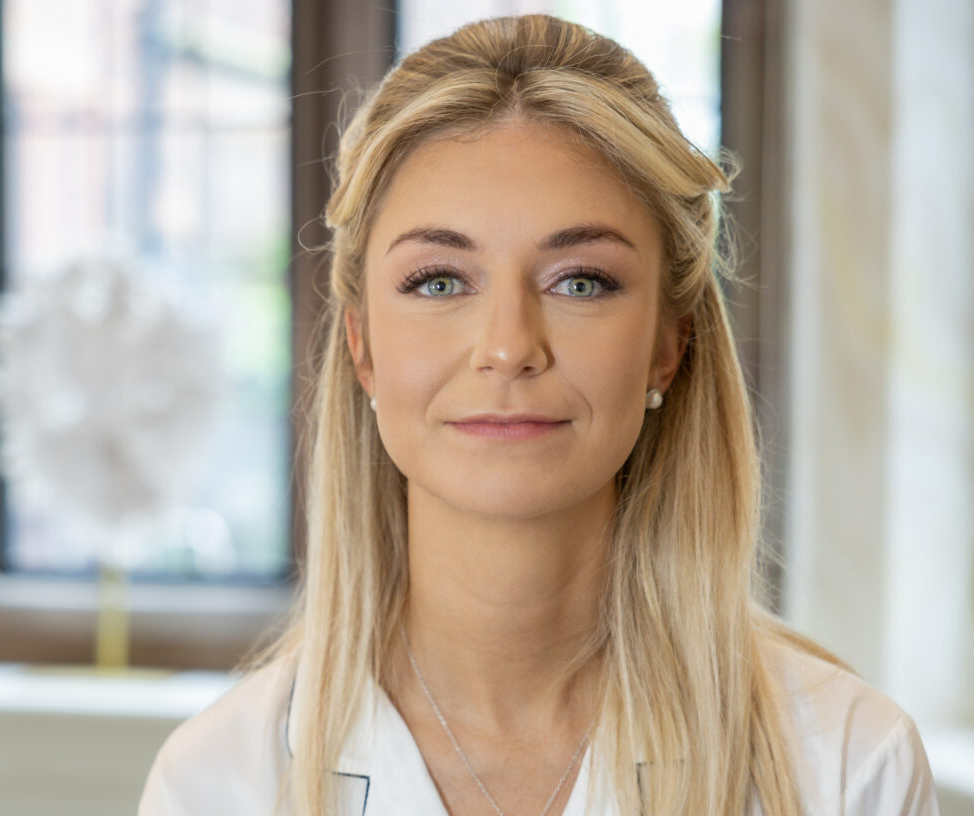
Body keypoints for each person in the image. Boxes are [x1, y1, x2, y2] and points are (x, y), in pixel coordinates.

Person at [139, 14, 939, 816]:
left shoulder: (847, 768)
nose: (508, 347)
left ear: (670, 343)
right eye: (440, 281)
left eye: (580, 281)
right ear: (362, 346)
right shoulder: (217, 784)